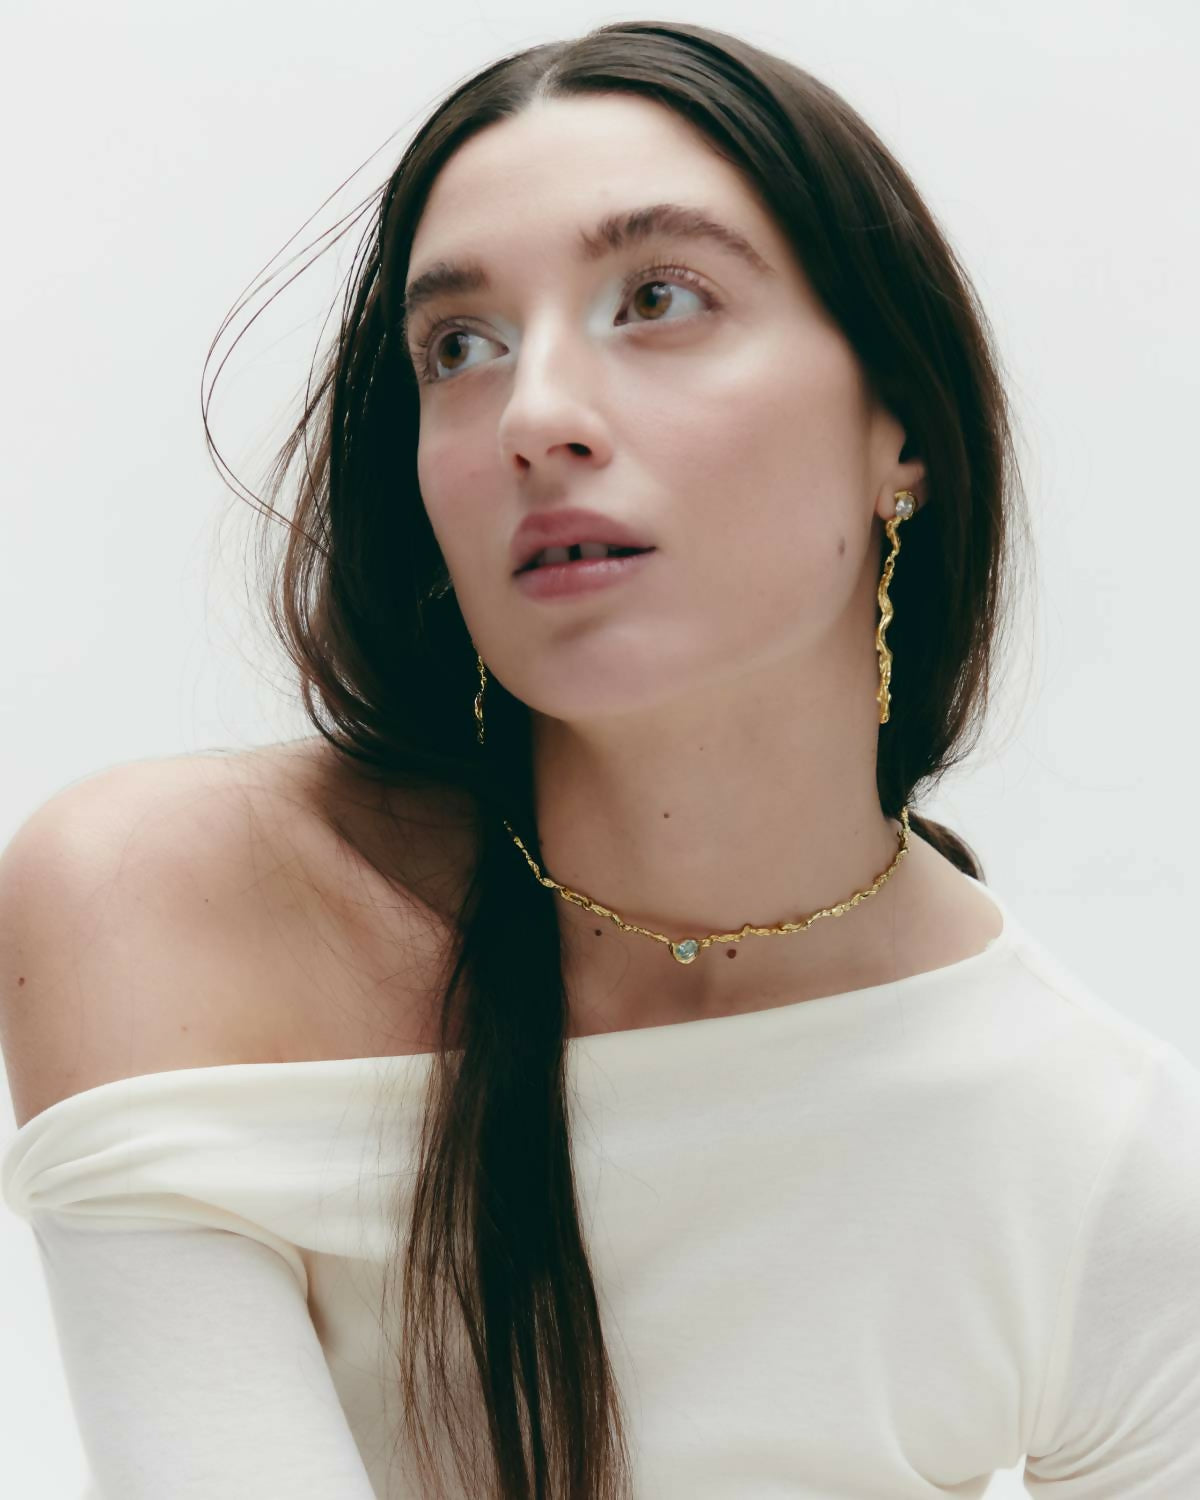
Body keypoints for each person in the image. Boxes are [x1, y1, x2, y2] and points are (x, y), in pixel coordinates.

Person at [2, 19, 1198, 1500]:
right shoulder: (173, 910)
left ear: (900, 424)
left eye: (659, 300)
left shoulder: (1089, 1154)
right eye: (460, 346)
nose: (537, 416)